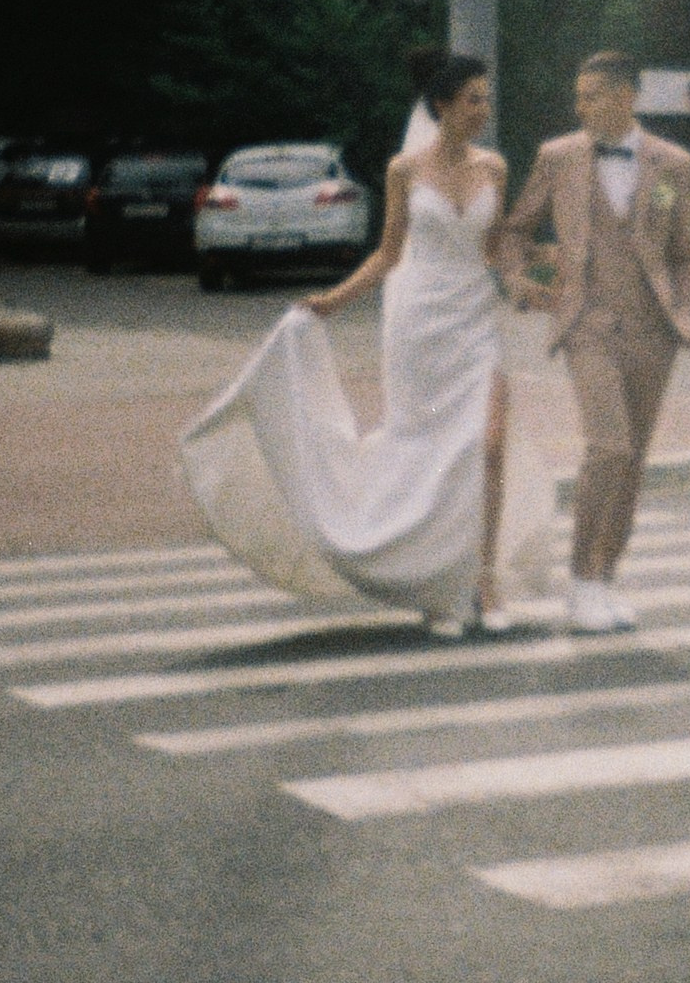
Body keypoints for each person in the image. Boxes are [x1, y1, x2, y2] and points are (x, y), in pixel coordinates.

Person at [178, 48, 548, 634]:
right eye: (474, 99)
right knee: (431, 457)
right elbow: (388, 253)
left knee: (491, 445)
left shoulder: (495, 168)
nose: (484, 109)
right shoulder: (404, 169)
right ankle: (437, 588)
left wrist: (533, 279)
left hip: (476, 320)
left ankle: (484, 579)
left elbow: (495, 248)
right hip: (420, 324)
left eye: (486, 98)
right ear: (443, 105)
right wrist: (332, 300)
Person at [500, 50, 690, 633]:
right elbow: (515, 231)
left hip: (652, 329)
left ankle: (606, 576)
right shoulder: (557, 158)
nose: (580, 105)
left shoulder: (674, 165)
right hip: (586, 322)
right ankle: (581, 580)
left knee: (632, 459)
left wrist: (680, 312)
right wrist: (519, 282)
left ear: (626, 96)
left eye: (592, 94)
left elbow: (683, 252)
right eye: (579, 94)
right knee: (608, 446)